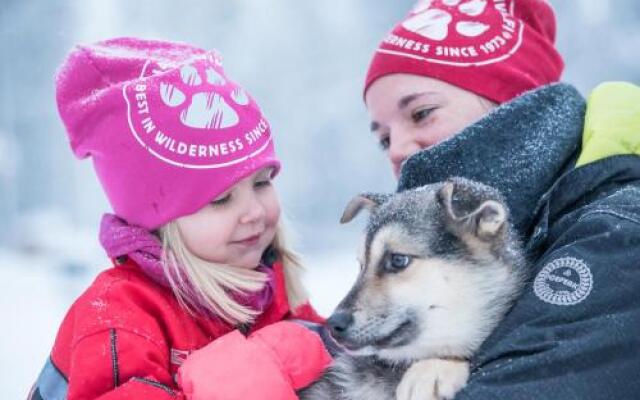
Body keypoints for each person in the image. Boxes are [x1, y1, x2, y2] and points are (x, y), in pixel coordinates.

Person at [363, 0, 640, 398]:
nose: (397, 150)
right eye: (384, 139)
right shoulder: (518, 235)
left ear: (515, 106)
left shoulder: (617, 234)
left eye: (422, 113)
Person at [28, 37, 331, 400]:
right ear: (159, 220)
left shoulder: (269, 288)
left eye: (263, 182)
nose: (253, 211)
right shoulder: (118, 314)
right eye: (221, 199)